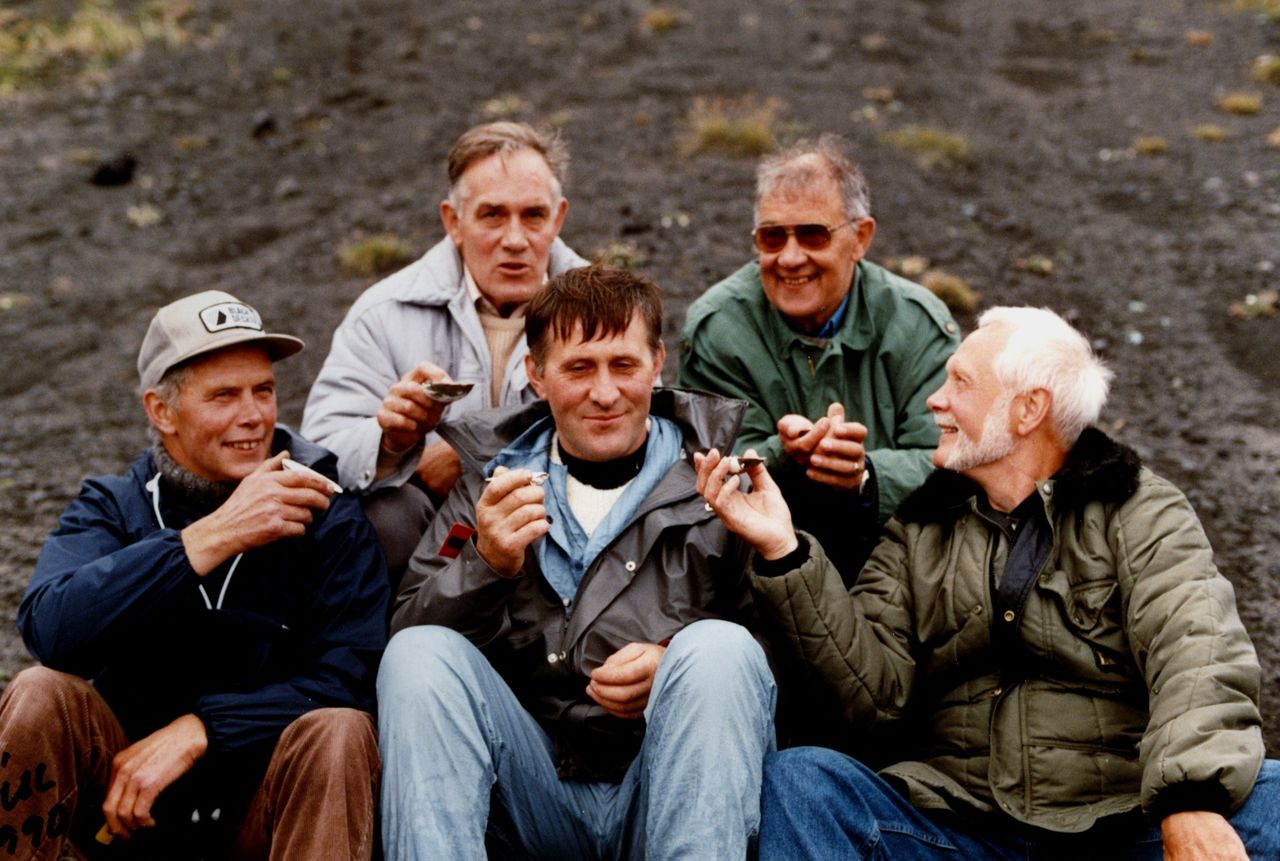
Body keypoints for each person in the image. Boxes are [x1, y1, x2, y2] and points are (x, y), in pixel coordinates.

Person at [696, 306, 1278, 860]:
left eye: (961, 383)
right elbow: (872, 699)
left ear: (1028, 410)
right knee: (802, 783)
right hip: (957, 829)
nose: (936, 399)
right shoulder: (919, 528)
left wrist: (1190, 801)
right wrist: (784, 550)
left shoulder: (1138, 509)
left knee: (1271, 797)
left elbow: (1198, 651)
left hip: (1119, 825)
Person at [378, 263, 776, 860]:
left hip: (669, 791)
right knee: (419, 653)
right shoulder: (490, 482)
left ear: (657, 363)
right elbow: (409, 641)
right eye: (579, 368)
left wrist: (673, 665)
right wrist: (485, 564)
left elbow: (778, 663)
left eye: (624, 365)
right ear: (536, 375)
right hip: (529, 788)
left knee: (720, 649)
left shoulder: (719, 483)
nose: (605, 393)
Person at [0, 291, 388, 859]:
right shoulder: (114, 506)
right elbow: (50, 629)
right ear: (161, 411)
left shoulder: (326, 513)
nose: (253, 415)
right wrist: (208, 538)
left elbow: (352, 679)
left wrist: (204, 729)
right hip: (122, 819)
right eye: (224, 396)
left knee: (339, 729)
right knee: (41, 693)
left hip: (264, 824)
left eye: (263, 390)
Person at [302, 120, 586, 584]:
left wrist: (478, 455)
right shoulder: (385, 313)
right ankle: (401, 625)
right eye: (492, 215)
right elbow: (317, 455)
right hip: (435, 539)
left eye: (533, 215)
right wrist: (391, 444)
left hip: (564, 518)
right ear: (454, 221)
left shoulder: (603, 311)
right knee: (384, 516)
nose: (515, 239)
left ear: (558, 218)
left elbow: (643, 430)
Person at [679, 134, 959, 583]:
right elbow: (712, 470)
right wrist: (785, 455)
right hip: (763, 571)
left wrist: (866, 475)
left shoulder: (917, 324)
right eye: (772, 238)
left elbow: (953, 461)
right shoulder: (718, 329)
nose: (790, 258)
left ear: (860, 238)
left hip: (900, 565)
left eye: (813, 235)